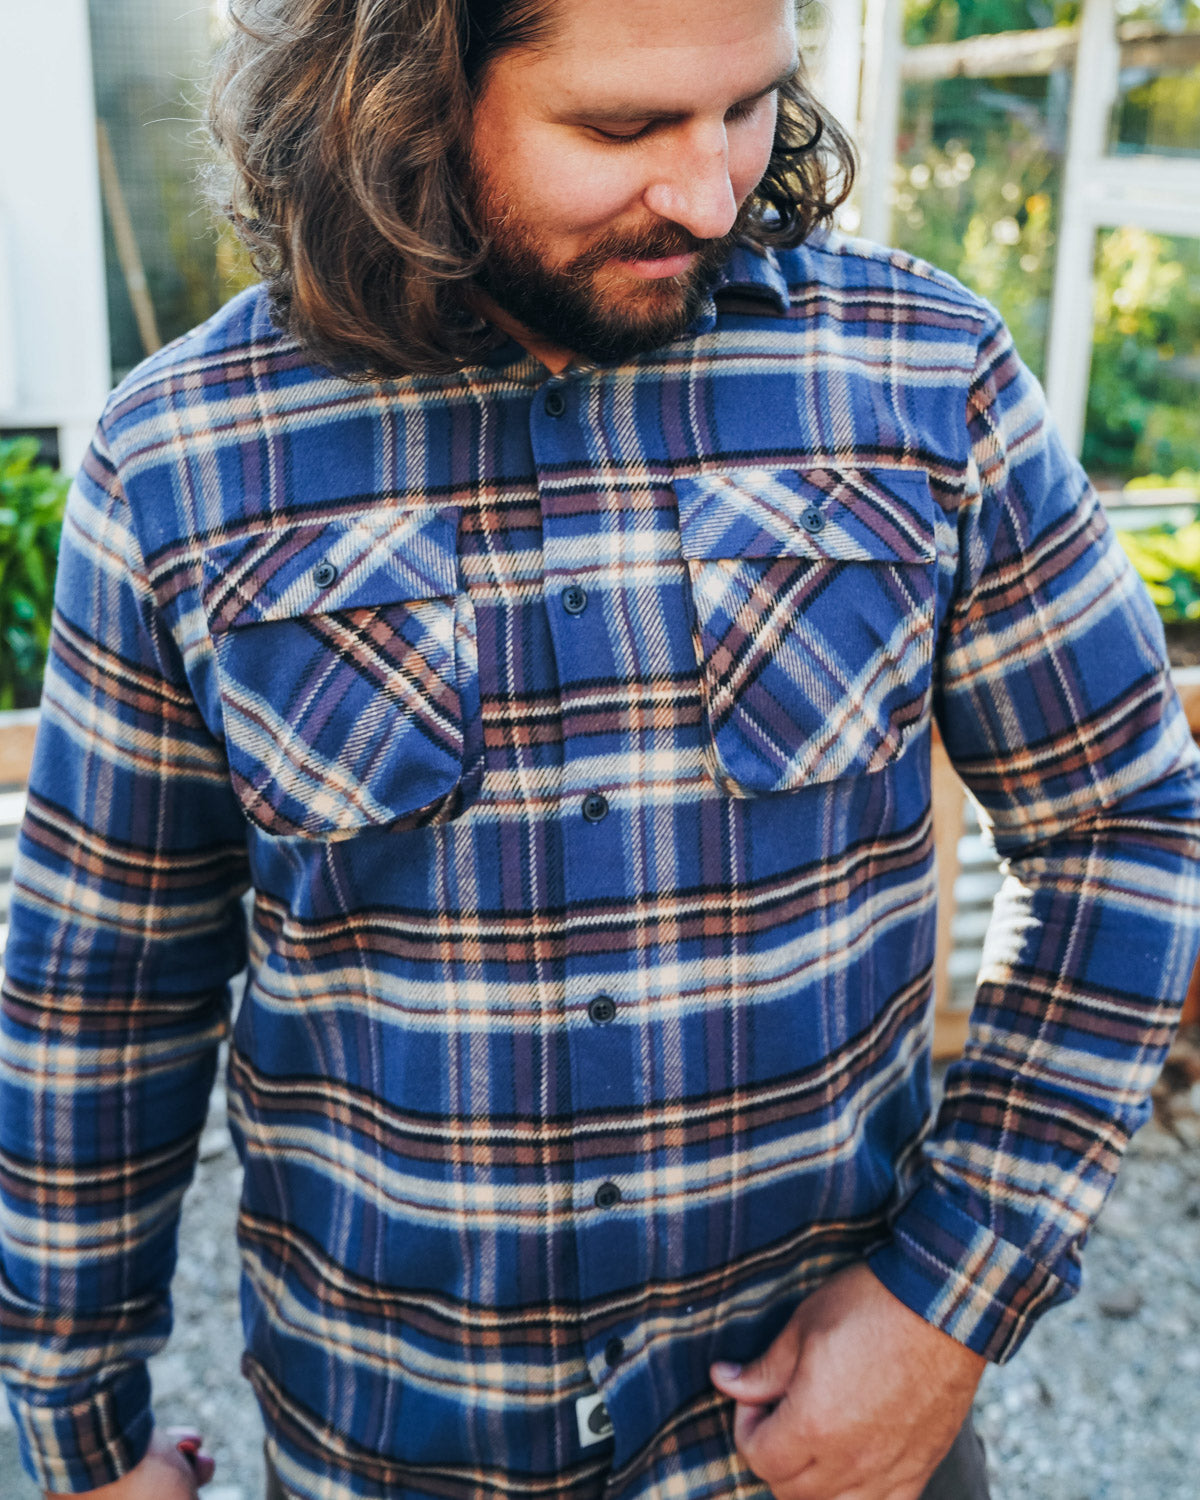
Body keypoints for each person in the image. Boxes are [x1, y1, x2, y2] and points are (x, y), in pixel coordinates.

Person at [3, 0, 1198, 1496]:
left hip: (825, 1454)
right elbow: (103, 990)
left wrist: (951, 1300)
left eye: (748, 105)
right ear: (407, 96)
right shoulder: (177, 456)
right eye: (622, 128)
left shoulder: (920, 375)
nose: (710, 192)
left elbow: (1125, 818)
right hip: (393, 1449)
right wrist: (84, 1436)